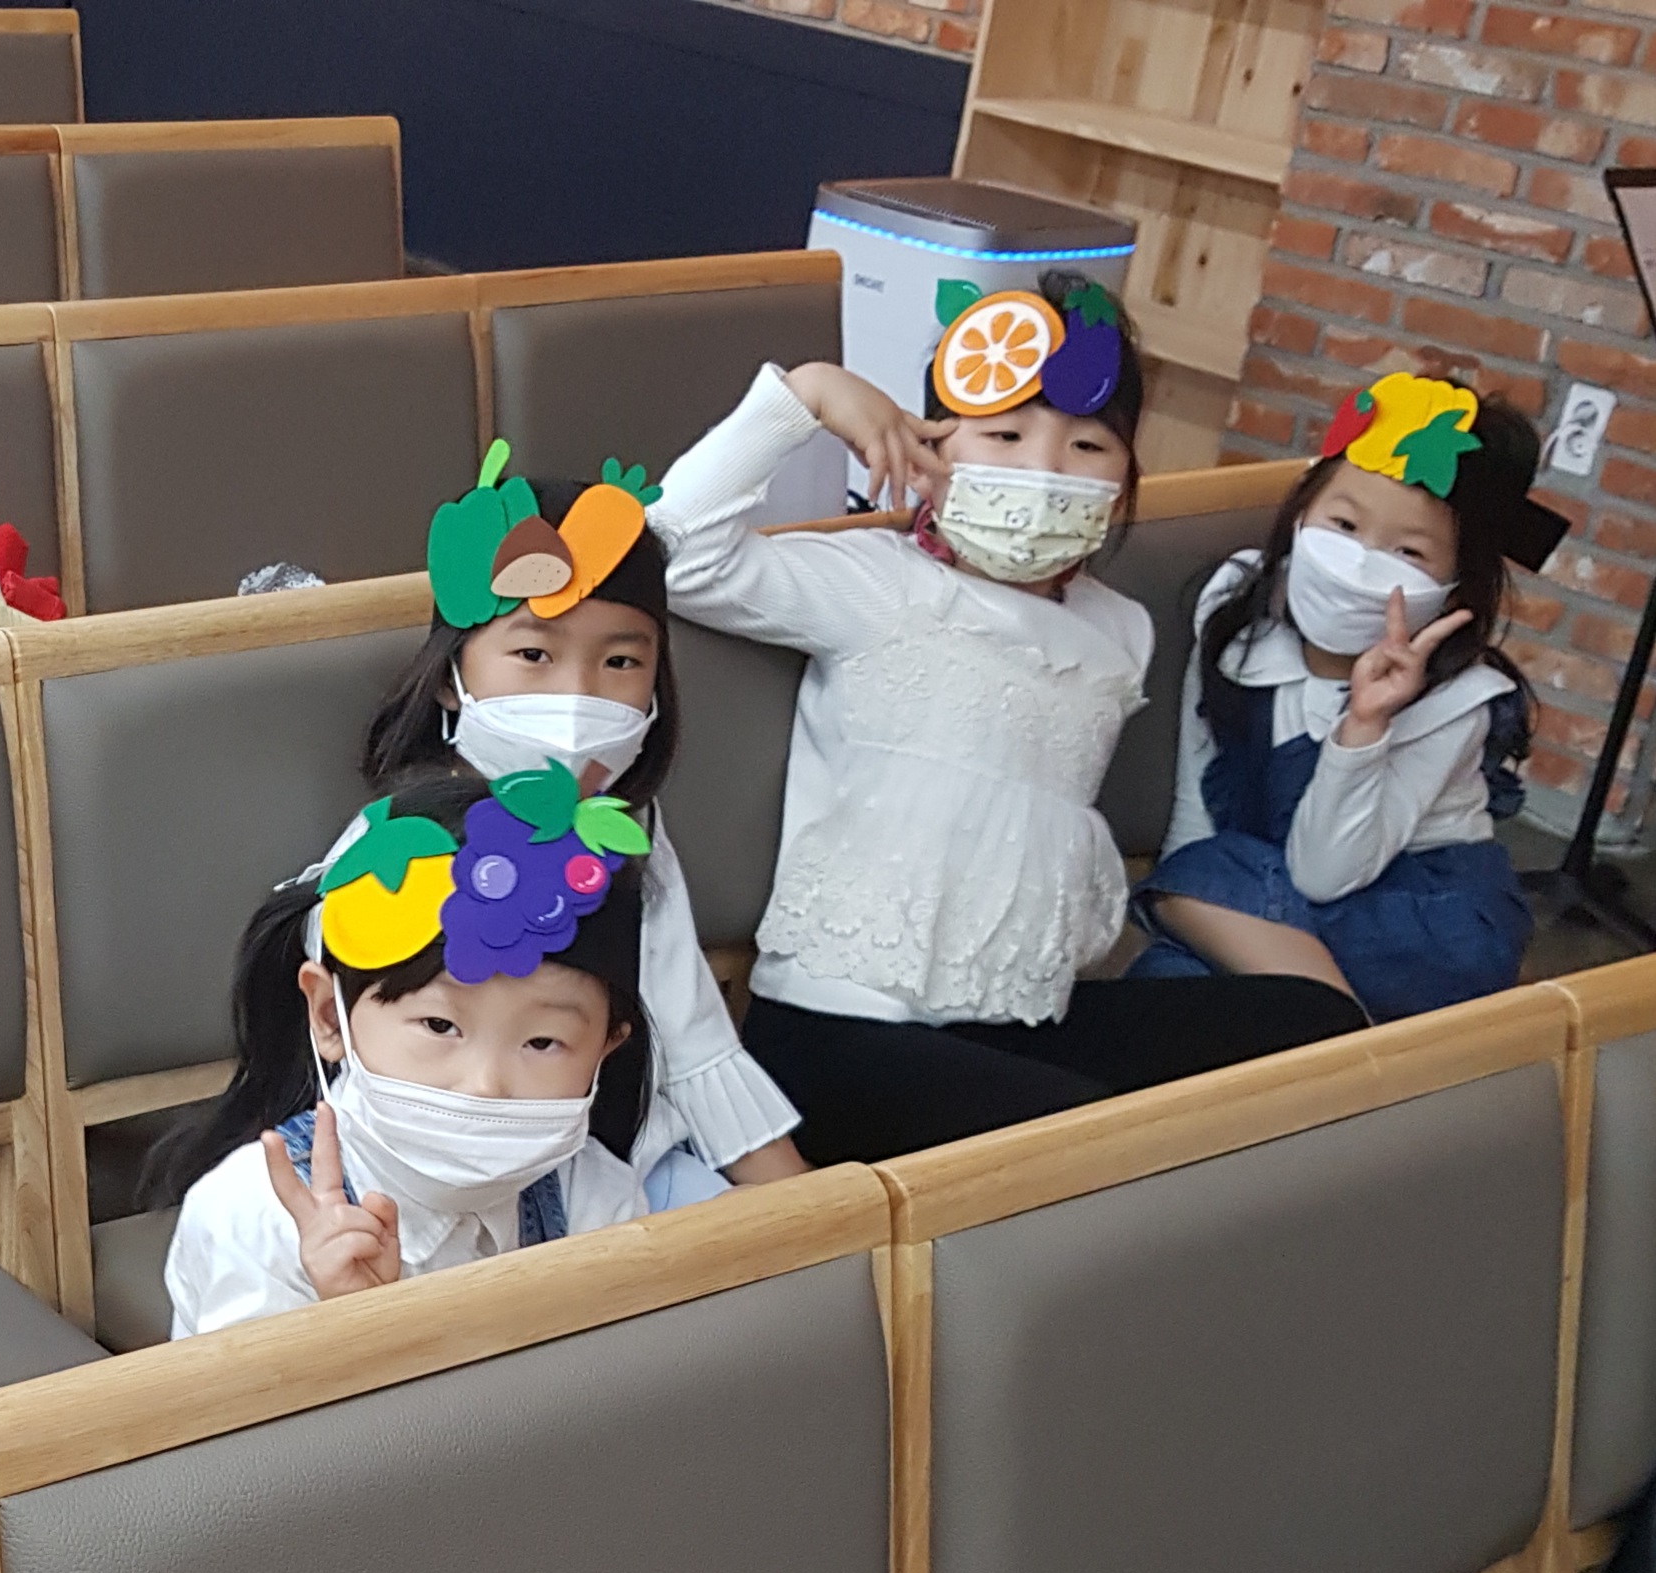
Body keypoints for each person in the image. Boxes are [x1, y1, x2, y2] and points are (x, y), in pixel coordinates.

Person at [653, 272, 1366, 1165]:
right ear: (930, 447)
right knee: (1097, 1150)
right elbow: (672, 553)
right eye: (1003, 434)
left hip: (1019, 1019)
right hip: (840, 1032)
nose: (1044, 469)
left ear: (1125, 477)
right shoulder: (878, 582)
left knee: (1312, 1023)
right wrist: (810, 394)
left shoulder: (1121, 629)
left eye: (1087, 445)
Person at [363, 444, 809, 1204]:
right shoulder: (402, 837)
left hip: (630, 1166)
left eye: (620, 663)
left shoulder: (628, 828)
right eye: (533, 652)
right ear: (449, 677)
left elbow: (690, 1033)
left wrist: (816, 1212)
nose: (578, 694)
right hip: (442, 1184)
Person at [152, 763, 656, 1338]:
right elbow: (248, 1399)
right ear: (329, 1015)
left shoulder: (595, 1194)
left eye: (542, 1041)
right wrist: (354, 1326)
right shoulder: (251, 1216)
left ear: (606, 1045)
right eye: (440, 1025)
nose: (486, 1084)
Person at [1132, 371, 1570, 1022]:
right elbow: (1197, 798)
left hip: (1410, 911)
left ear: (1455, 585)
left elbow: (1324, 873)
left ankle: (1340, 1032)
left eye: (1408, 551)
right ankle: (1336, 1028)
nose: (1360, 561)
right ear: (1301, 510)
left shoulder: (1457, 700)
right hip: (1261, 879)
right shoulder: (1236, 611)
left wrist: (1364, 724)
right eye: (1342, 523)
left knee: (1205, 915)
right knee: (1170, 959)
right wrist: (1193, 900)